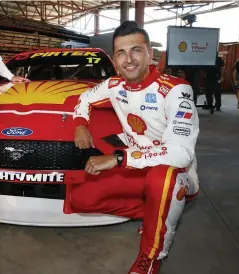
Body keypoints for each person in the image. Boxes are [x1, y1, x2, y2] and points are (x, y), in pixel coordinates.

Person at [71, 21, 200, 274]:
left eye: (136, 50)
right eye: (121, 53)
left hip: (176, 176)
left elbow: (181, 153)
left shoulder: (177, 90)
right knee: (80, 199)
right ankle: (153, 213)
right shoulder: (113, 85)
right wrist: (80, 124)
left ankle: (152, 256)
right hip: (136, 170)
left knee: (162, 178)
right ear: (115, 60)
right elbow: (84, 98)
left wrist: (118, 158)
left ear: (150, 54)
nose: (128, 59)